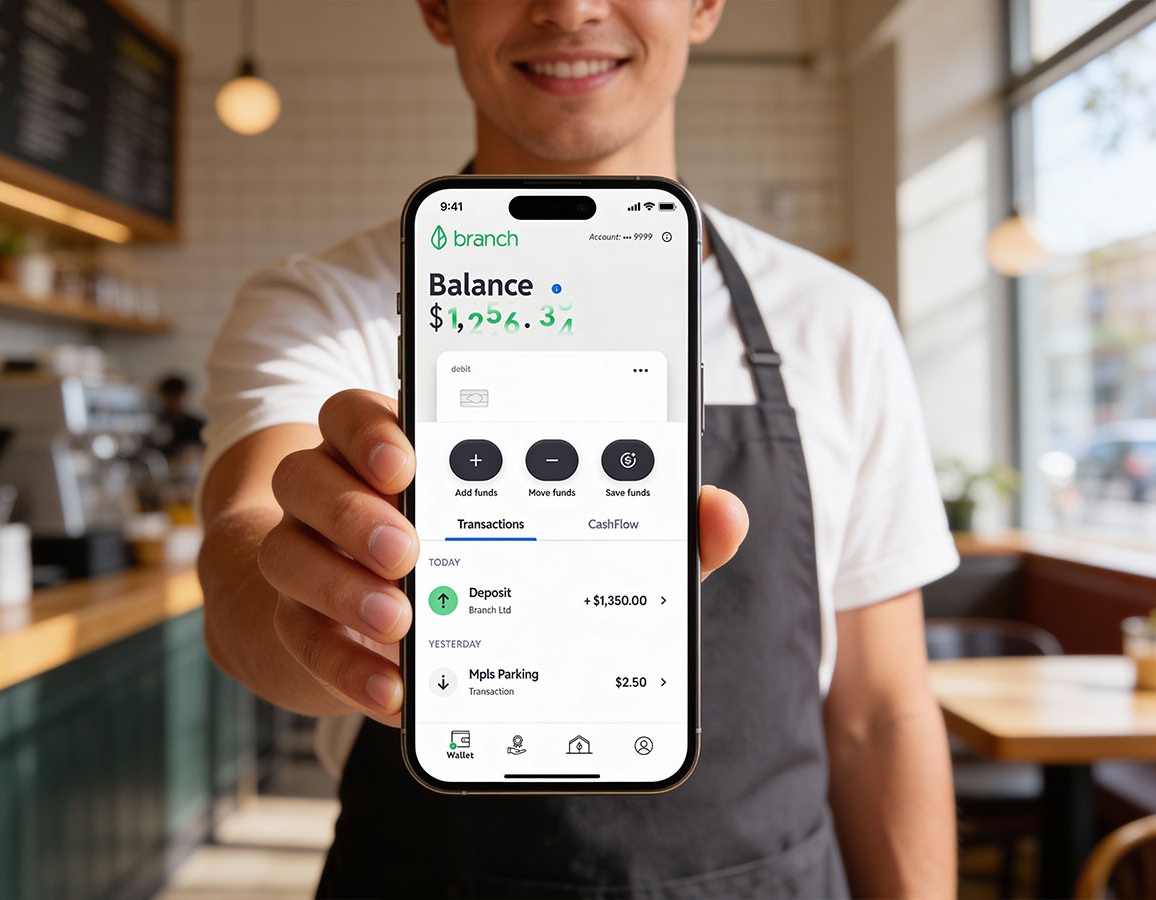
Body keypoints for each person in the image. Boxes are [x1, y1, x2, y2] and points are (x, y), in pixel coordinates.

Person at [197, 1, 960, 897]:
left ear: (707, 4)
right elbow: (244, 544)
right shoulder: (321, 308)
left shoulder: (838, 322)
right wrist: (322, 618)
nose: (569, 7)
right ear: (438, 9)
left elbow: (881, 714)